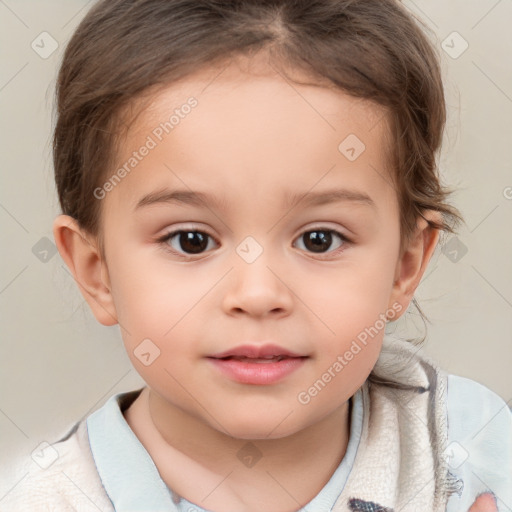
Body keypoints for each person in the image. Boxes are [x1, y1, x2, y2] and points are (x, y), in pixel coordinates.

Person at [1, 0, 510, 511]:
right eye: (191, 240)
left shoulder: (469, 448)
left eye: (319, 239)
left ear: (405, 266)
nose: (258, 294)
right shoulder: (46, 500)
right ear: (98, 273)